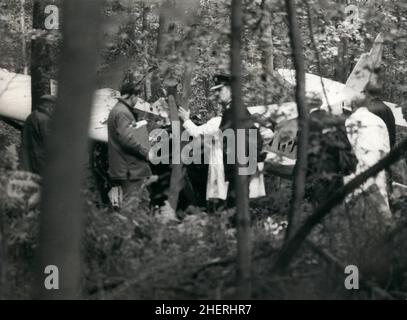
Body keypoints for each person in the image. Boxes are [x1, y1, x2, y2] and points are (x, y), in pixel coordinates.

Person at [178, 73, 266, 208]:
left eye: (220, 90)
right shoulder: (233, 110)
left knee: (235, 204)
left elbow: (251, 138)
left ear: (231, 89)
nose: (217, 94)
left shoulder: (235, 111)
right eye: (216, 90)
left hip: (238, 167)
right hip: (238, 167)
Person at [344, 92, 393, 226]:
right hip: (377, 166)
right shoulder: (379, 121)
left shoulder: (350, 120)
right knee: (380, 202)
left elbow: (346, 147)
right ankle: (384, 232)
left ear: (353, 105)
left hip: (357, 166)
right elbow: (386, 149)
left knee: (353, 203)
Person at [305, 93, 358, 207]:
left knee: (316, 205)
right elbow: (345, 142)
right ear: (320, 103)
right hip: (335, 168)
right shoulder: (333, 118)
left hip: (316, 169)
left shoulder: (307, 121)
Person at [107, 81, 153, 210]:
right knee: (132, 207)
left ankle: (141, 229)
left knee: (143, 201)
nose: (137, 100)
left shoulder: (119, 110)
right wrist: (146, 152)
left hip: (129, 168)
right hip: (129, 169)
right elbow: (127, 139)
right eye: (137, 97)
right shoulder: (122, 112)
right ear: (132, 96)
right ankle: (126, 230)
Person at [20, 94, 57, 175]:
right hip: (41, 163)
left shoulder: (31, 116)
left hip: (29, 161)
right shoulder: (45, 120)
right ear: (50, 107)